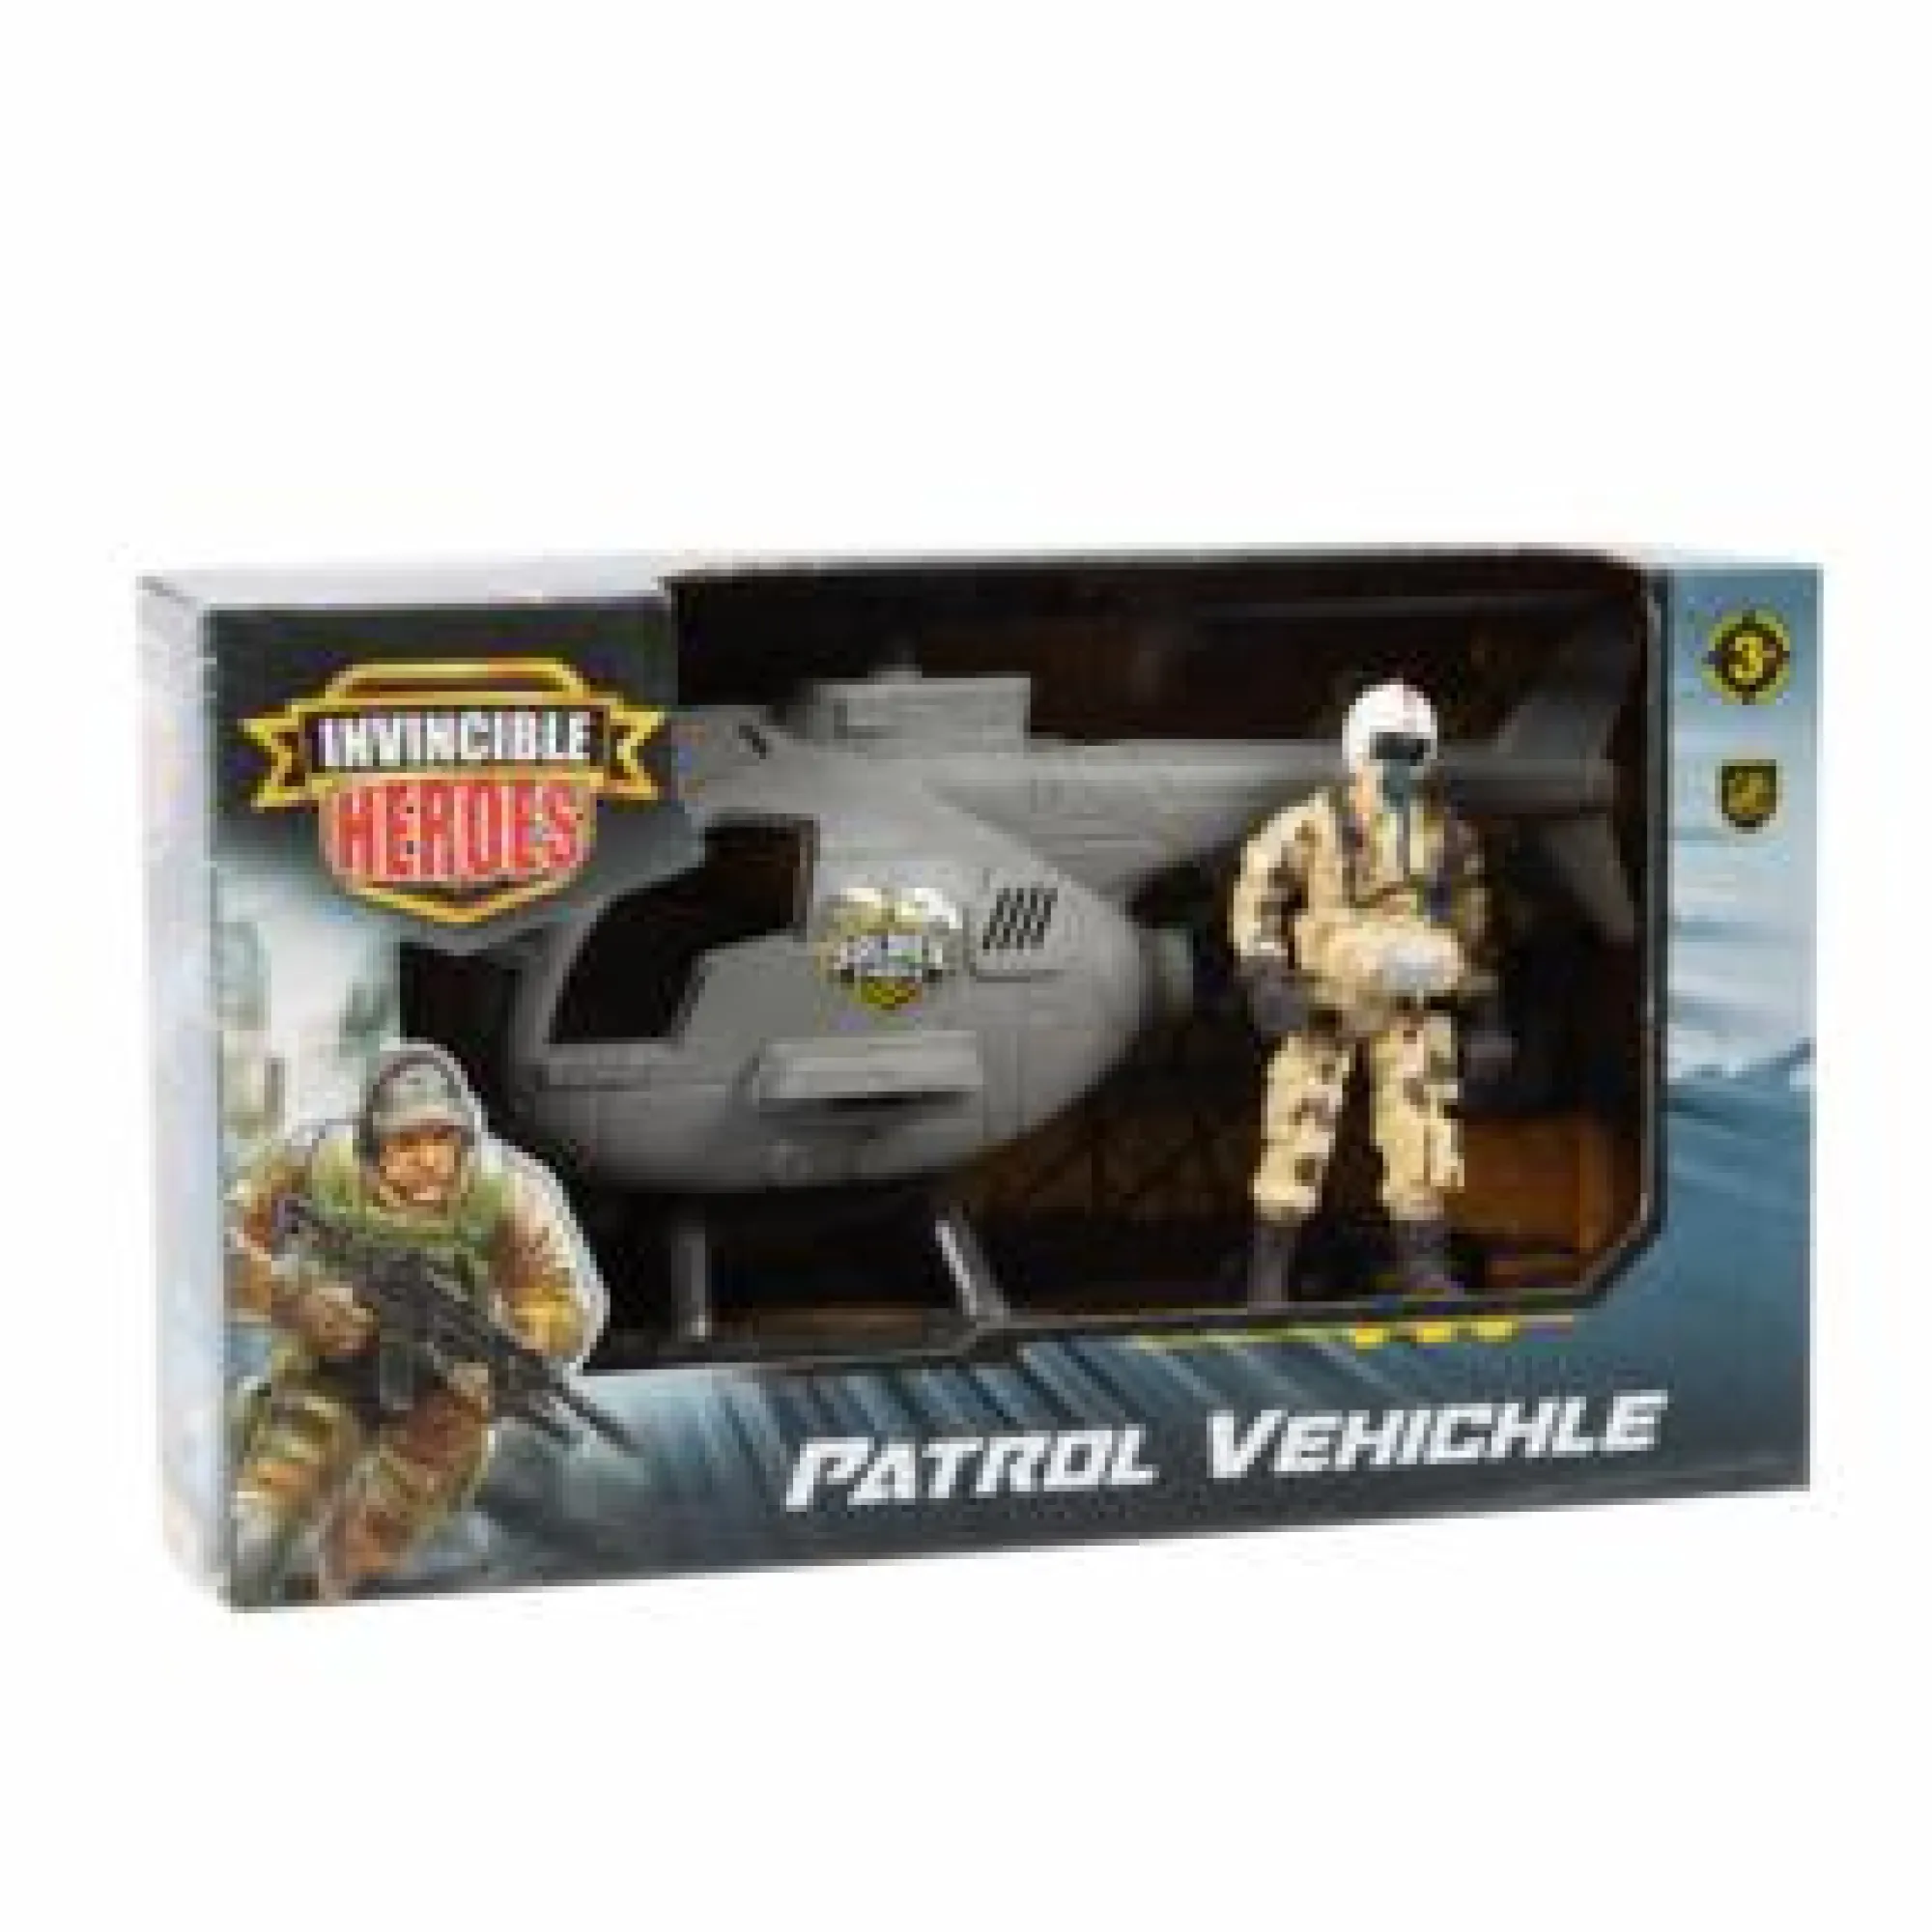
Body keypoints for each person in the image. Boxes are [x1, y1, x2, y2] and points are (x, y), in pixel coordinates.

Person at [224, 1043, 603, 1601]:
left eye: (443, 1139)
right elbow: (216, 1246)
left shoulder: (504, 1195)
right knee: (261, 1525)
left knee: (379, 1550)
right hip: (328, 1373)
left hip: (443, 1403)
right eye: (407, 1142)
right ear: (373, 1142)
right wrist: (292, 1300)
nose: (428, 1159)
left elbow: (561, 1301)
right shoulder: (316, 1167)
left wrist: (506, 1360)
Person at [1229, 681, 1509, 1304]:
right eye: (1388, 749)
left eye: (1412, 751)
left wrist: (1489, 1016)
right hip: (1325, 1005)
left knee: (1422, 1134)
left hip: (1410, 1004)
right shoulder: (1316, 822)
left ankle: (1423, 1266)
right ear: (1360, 748)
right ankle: (1268, 1280)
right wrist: (1265, 974)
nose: (1399, 766)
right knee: (1298, 1133)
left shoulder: (1450, 836)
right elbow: (1257, 890)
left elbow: (1473, 931)